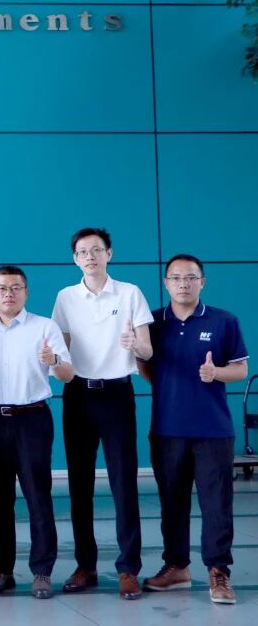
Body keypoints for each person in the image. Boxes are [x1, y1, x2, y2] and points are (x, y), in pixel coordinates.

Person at [50, 228, 152, 600]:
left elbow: (148, 351)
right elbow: (61, 351)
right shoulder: (66, 297)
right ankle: (86, 566)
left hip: (117, 395)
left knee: (124, 483)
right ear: (75, 258)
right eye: (82, 251)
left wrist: (135, 344)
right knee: (79, 485)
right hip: (78, 394)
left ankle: (128, 568)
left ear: (109, 253)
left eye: (96, 250)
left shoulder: (129, 293)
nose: (90, 257)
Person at [139, 254, 248, 604]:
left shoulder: (224, 321)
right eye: (175, 278)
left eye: (190, 277)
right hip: (167, 429)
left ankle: (219, 571)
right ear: (165, 283)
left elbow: (240, 370)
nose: (183, 283)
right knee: (172, 503)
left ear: (202, 282)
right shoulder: (152, 322)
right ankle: (177, 567)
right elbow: (145, 366)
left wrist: (216, 373)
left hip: (213, 430)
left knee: (217, 504)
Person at [0, 265, 74, 600]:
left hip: (33, 419)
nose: (8, 294)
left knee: (38, 496)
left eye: (15, 287)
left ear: (26, 292)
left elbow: (68, 374)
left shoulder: (44, 327)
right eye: (2, 288)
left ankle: (42, 571)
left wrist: (53, 358)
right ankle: (2, 570)